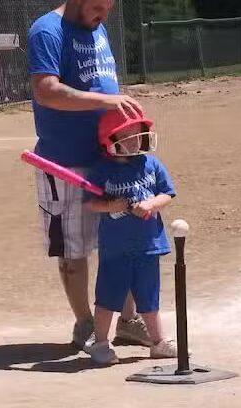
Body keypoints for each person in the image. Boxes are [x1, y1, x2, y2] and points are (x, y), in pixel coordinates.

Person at [28, 0, 151, 350]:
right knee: (72, 248)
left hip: (110, 158)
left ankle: (128, 321)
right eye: (98, 6)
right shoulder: (47, 31)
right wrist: (104, 101)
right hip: (65, 161)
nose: (103, 14)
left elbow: (102, 82)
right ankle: (85, 323)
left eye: (108, 7)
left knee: (120, 240)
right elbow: (46, 90)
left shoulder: (97, 29)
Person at [84, 110, 179, 365]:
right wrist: (110, 207)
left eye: (136, 134)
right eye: (125, 136)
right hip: (116, 248)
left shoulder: (151, 163)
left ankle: (158, 342)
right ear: (110, 140)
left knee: (149, 297)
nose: (134, 140)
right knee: (108, 296)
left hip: (149, 245)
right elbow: (90, 204)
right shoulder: (102, 169)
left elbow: (167, 193)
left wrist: (150, 204)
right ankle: (100, 342)